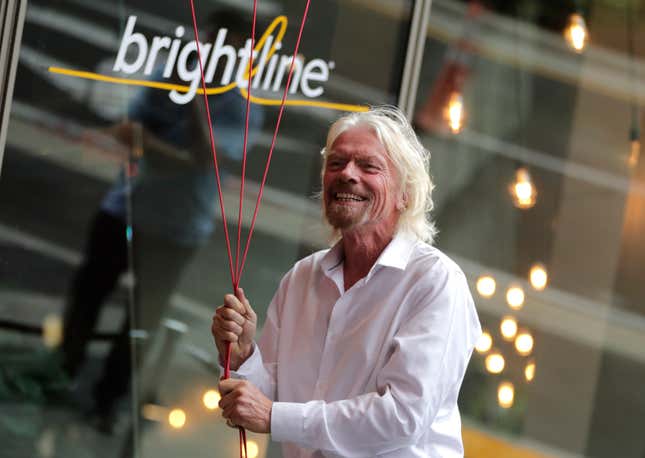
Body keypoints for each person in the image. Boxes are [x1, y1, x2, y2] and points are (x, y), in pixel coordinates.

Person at [212, 106, 482, 457]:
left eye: (369, 166)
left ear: (405, 194)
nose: (347, 174)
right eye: (336, 164)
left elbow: (403, 416)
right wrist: (243, 353)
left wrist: (275, 416)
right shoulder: (301, 278)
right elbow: (269, 401)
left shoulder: (435, 282)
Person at [59, 8, 264, 432]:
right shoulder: (171, 74)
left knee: (142, 317)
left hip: (178, 226)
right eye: (214, 38)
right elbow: (130, 130)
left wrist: (194, 105)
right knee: (88, 293)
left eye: (231, 44)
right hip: (127, 206)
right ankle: (63, 373)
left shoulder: (242, 104)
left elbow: (209, 157)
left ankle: (108, 400)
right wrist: (176, 153)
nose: (215, 49)